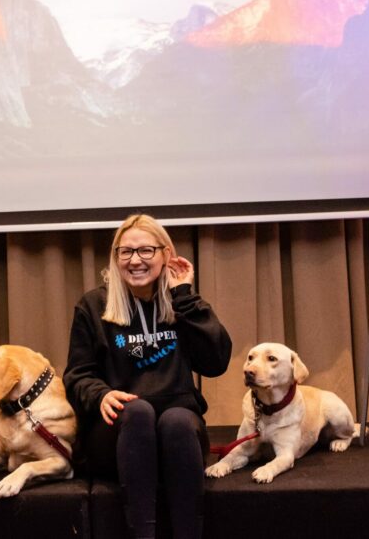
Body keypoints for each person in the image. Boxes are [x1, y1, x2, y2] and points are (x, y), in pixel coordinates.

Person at [64, 214, 232, 539]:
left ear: (165, 255)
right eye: (126, 252)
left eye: (146, 251)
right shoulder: (93, 305)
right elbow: (77, 375)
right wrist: (101, 394)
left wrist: (183, 295)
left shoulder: (182, 303)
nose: (135, 260)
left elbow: (216, 361)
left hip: (178, 434)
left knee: (178, 420)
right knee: (139, 411)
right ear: (115, 258)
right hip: (118, 434)